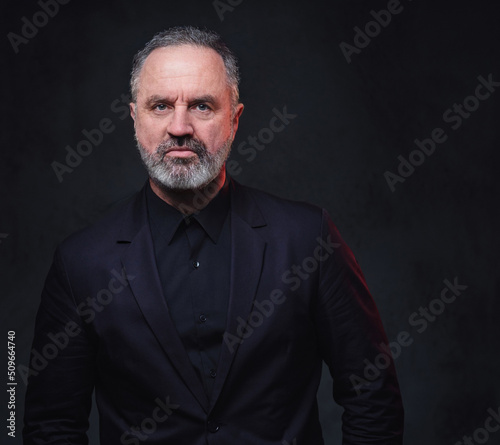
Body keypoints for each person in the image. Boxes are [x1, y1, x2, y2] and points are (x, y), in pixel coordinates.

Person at [23, 26, 404, 444]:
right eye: (161, 106)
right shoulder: (82, 261)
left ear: (235, 120)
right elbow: (52, 426)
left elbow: (372, 399)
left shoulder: (307, 239)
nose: (180, 126)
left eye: (202, 106)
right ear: (135, 119)